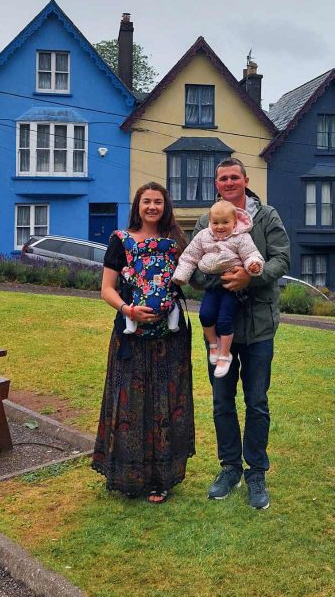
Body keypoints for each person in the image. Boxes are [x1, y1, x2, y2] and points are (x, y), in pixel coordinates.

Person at [190, 158, 290, 510]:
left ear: (246, 180)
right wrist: (220, 276)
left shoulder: (267, 217)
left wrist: (252, 276)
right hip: (219, 328)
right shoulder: (207, 221)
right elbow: (195, 269)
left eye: (235, 177)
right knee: (221, 401)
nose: (229, 182)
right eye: (223, 178)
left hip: (259, 325)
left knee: (257, 402)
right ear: (216, 183)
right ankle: (230, 468)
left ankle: (256, 472)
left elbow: (282, 260)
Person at [92, 182, 195, 504]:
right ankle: (127, 476)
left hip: (170, 338)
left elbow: (193, 274)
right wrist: (128, 309)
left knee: (166, 402)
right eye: (147, 201)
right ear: (137, 205)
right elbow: (107, 288)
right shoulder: (119, 242)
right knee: (130, 404)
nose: (152, 207)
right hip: (130, 336)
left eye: (158, 202)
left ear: (166, 207)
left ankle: (161, 479)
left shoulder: (177, 241)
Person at [172, 199, 264, 379]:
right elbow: (190, 256)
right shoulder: (203, 236)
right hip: (212, 286)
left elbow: (251, 254)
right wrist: (181, 275)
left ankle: (224, 355)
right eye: (215, 222)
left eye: (225, 222)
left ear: (235, 222)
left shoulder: (241, 237)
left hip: (231, 286)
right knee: (205, 315)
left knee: (224, 320)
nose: (220, 227)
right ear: (210, 222)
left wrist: (253, 265)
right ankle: (213, 345)